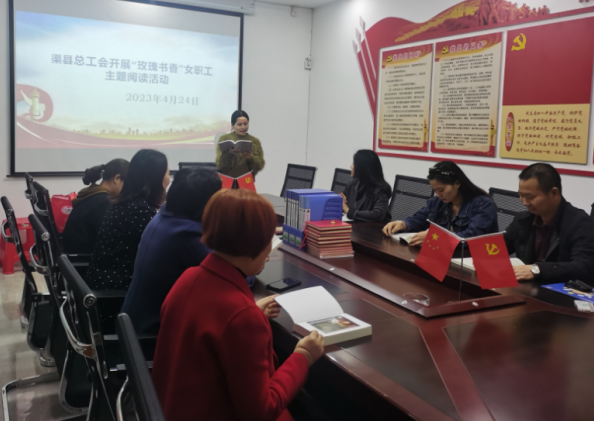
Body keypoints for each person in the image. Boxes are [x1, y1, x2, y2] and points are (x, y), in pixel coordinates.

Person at [151, 189, 324, 421]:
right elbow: (261, 411)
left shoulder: (188, 278)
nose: (269, 252)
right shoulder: (241, 316)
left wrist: (251, 313)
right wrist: (303, 355)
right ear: (253, 245)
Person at [120, 167, 222, 334]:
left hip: (133, 328)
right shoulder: (187, 234)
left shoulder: (165, 215)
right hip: (153, 336)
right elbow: (228, 278)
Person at [86, 150, 170, 290]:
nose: (169, 179)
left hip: (101, 284)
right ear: (156, 177)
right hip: (116, 290)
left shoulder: (123, 203)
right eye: (167, 173)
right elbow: (159, 255)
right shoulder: (139, 210)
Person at [504, 163, 594, 283]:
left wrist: (537, 270)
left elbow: (584, 266)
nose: (524, 202)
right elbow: (502, 246)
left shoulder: (580, 223)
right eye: (521, 195)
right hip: (526, 286)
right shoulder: (523, 219)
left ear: (554, 193)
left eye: (530, 197)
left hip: (558, 289)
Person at [382, 161, 498, 246]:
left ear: (457, 183)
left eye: (441, 190)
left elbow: (471, 237)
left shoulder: (483, 204)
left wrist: (436, 238)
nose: (438, 194)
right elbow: (419, 219)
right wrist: (402, 224)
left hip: (474, 260)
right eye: (435, 190)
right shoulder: (438, 202)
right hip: (443, 256)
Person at [62, 159, 129, 254]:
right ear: (117, 178)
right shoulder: (105, 203)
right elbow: (111, 241)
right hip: (83, 258)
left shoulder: (92, 194)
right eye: (128, 183)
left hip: (71, 255)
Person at [341, 149, 391, 223]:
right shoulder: (352, 184)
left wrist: (348, 211)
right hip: (354, 226)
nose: (351, 166)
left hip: (372, 229)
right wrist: (339, 202)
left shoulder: (381, 190)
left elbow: (378, 214)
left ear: (362, 168)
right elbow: (343, 204)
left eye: (354, 164)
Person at [216, 110, 265, 179]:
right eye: (239, 124)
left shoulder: (255, 141)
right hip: (227, 179)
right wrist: (229, 154)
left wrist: (251, 158)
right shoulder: (224, 139)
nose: (243, 127)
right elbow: (219, 164)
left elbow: (260, 165)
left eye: (245, 124)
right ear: (233, 125)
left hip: (246, 180)